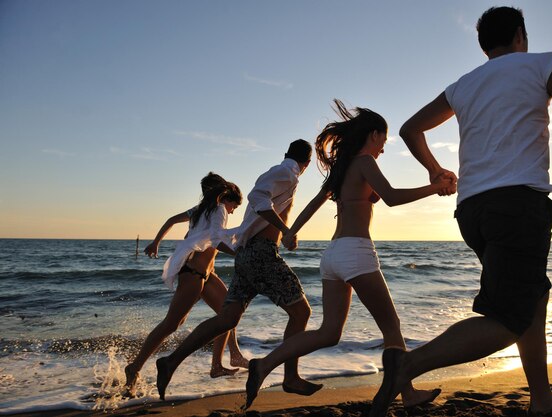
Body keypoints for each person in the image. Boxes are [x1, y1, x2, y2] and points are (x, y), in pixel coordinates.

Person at [369, 7, 552, 417]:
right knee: (508, 317)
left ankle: (542, 399)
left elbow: (410, 128)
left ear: (483, 44)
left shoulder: (464, 85)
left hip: (472, 211)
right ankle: (406, 365)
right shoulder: (542, 63)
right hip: (516, 206)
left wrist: (435, 170)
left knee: (535, 295)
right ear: (519, 35)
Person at [244, 100, 453, 410]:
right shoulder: (366, 161)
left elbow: (316, 201)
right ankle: (408, 394)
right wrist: (434, 188)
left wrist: (291, 231)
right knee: (391, 326)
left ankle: (263, 365)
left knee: (329, 332)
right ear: (373, 135)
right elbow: (393, 198)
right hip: (356, 251)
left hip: (332, 256)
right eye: (384, 139)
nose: (384, 147)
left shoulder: (343, 170)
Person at [155, 139, 322, 401]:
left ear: (286, 153)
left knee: (227, 319)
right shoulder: (287, 173)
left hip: (246, 257)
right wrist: (287, 230)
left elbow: (258, 205)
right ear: (307, 163)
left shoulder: (279, 172)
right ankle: (290, 376)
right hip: (261, 255)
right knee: (301, 312)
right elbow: (257, 199)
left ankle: (170, 362)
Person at [124, 173, 249, 396]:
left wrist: (156, 242)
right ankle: (133, 369)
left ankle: (219, 364)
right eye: (234, 207)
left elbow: (172, 220)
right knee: (172, 324)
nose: (232, 212)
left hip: (205, 273)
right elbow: (217, 240)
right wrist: (240, 255)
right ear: (228, 199)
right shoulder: (218, 209)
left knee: (229, 312)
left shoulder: (200, 209)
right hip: (193, 273)